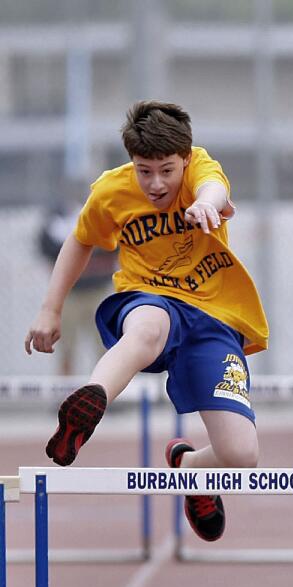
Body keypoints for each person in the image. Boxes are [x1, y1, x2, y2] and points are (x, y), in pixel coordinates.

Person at [24, 100, 269, 542]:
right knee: (149, 328)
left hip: (213, 315)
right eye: (144, 170)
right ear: (131, 163)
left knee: (241, 453)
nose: (155, 184)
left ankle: (190, 466)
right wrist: (50, 308)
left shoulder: (201, 169)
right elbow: (79, 241)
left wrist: (205, 206)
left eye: (166, 171)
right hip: (147, 296)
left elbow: (214, 187)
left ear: (185, 159)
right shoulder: (111, 191)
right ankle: (91, 402)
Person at [36, 179, 119, 376]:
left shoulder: (103, 213)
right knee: (65, 347)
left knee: (104, 346)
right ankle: (65, 394)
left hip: (99, 291)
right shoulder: (55, 218)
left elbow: (115, 245)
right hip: (71, 293)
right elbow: (47, 248)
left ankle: (104, 392)